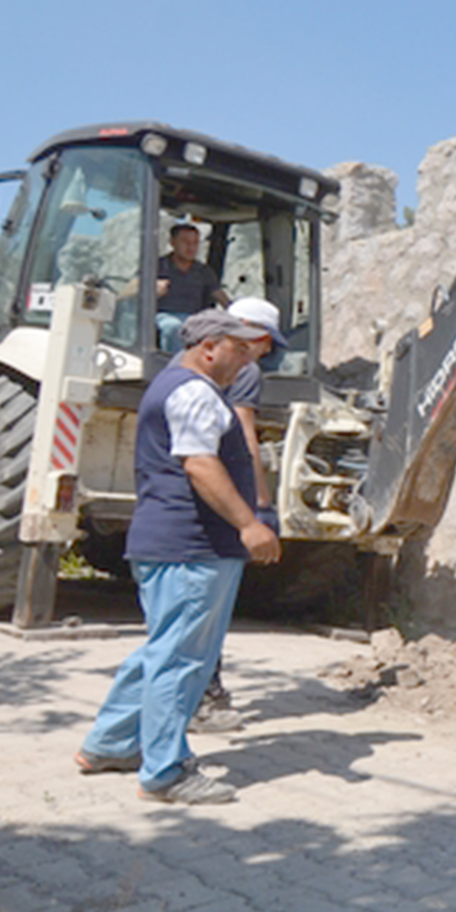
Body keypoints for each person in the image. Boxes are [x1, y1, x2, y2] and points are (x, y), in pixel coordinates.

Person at [77, 307, 280, 803]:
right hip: (193, 547)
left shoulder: (176, 387)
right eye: (239, 348)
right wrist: (249, 523)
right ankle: (165, 771)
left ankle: (111, 743)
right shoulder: (194, 393)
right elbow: (200, 465)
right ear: (209, 348)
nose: (247, 358)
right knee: (183, 659)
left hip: (171, 543)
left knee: (164, 649)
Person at [190, 294, 287, 734]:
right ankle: (202, 701)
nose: (263, 352)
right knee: (209, 607)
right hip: (222, 502)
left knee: (186, 613)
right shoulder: (245, 370)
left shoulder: (188, 365)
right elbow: (245, 435)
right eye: (265, 343)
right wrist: (259, 503)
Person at [153, 221, 226, 350]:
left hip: (194, 318)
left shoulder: (203, 271)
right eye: (185, 242)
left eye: (195, 243)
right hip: (164, 315)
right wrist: (152, 290)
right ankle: (177, 368)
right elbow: (131, 291)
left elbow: (219, 295)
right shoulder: (157, 266)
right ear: (173, 243)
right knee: (173, 327)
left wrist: (237, 310)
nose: (191, 247)